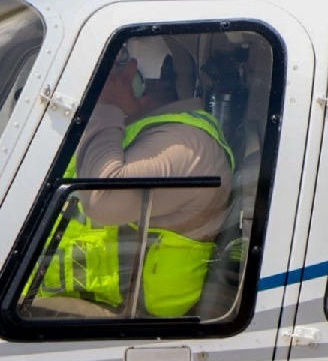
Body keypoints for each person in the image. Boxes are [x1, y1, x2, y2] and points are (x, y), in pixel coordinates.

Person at [33, 35, 234, 317]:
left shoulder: (184, 141)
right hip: (90, 302)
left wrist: (106, 106)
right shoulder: (141, 130)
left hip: (139, 320)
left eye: (109, 76)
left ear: (138, 80)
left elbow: (103, 202)